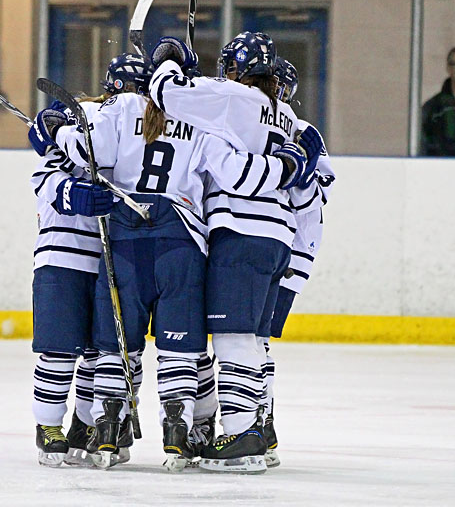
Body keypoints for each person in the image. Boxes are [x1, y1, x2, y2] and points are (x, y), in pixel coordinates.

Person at [30, 39, 317, 472]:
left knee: (113, 343)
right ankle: (195, 430)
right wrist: (293, 166)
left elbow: (87, 150)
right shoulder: (280, 120)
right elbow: (309, 199)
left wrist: (56, 133)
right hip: (207, 239)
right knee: (196, 344)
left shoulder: (130, 110)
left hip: (142, 238)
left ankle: (107, 429)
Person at [150, 31, 325, 474]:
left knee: (234, 338)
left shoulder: (234, 98)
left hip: (242, 234)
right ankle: (258, 431)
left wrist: (171, 60)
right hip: (276, 238)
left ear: (236, 70)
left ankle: (242, 434)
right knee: (252, 340)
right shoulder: (286, 115)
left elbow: (165, 93)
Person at [27, 53, 150, 467]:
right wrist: (72, 194)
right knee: (59, 349)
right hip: (62, 252)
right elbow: (44, 178)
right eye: (125, 89)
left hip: (109, 255)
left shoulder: (145, 137)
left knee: (101, 353)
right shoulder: (87, 120)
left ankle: (84, 424)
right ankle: (48, 426)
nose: (131, 97)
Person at [259, 57, 336, 468]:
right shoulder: (243, 120)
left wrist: (300, 167)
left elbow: (316, 195)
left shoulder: (302, 131)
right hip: (256, 245)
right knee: (241, 339)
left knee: (253, 340)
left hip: (289, 251)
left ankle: (260, 423)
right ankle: (251, 421)